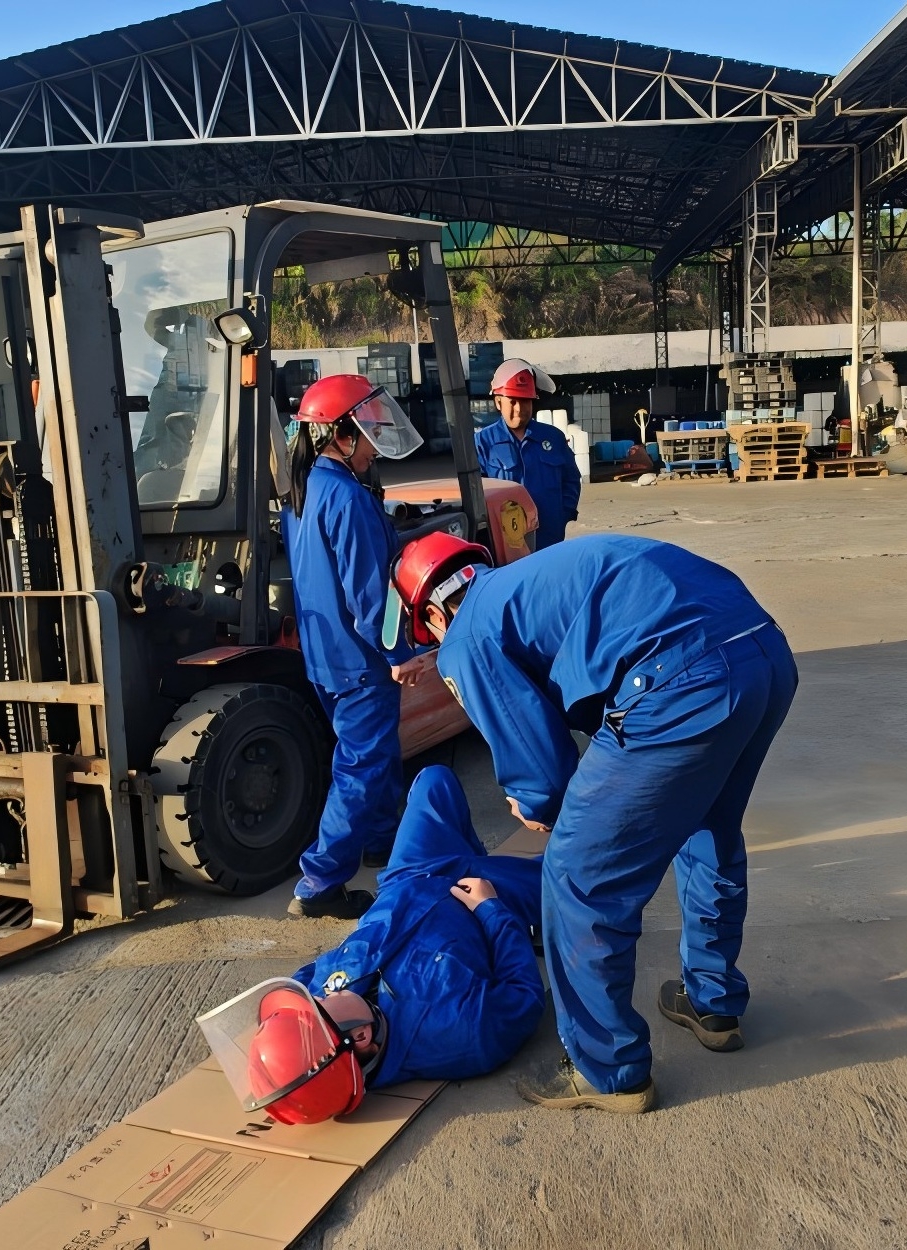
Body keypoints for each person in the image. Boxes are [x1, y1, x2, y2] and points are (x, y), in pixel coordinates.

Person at [390, 531, 798, 1114]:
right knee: (708, 827)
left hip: (678, 678)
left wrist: (539, 807)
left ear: (432, 613)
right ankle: (712, 1001)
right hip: (761, 649)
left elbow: (541, 771)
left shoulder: (466, 635)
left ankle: (607, 1068)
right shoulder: (522, 584)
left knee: (577, 876)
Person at [227, 765, 545, 1122]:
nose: (320, 995)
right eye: (320, 1005)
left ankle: (473, 856)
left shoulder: (328, 1012)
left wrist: (276, 1044)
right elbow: (523, 994)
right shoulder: (462, 1033)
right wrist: (491, 909)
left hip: (409, 875)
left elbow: (304, 988)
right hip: (485, 896)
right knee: (579, 875)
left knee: (433, 780)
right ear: (362, 1036)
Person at [281, 374, 424, 919]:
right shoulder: (348, 498)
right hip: (361, 660)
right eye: (367, 436)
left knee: (376, 754)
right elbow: (368, 595)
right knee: (360, 769)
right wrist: (398, 654)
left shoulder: (304, 491)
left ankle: (382, 841)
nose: (374, 448)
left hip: (324, 656)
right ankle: (319, 883)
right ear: (341, 435)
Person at [474, 359, 580, 549]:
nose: (519, 409)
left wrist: (563, 514)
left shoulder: (553, 438)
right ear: (498, 402)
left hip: (550, 539)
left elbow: (571, 479)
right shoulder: (482, 442)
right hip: (506, 543)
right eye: (513, 401)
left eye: (525, 401)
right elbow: (475, 493)